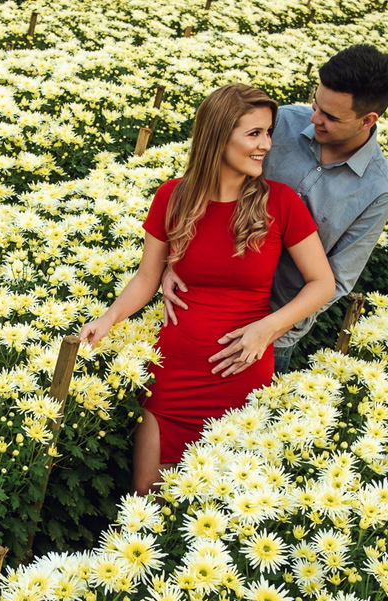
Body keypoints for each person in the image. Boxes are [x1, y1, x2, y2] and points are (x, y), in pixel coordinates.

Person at [78, 84, 335, 496]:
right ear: (218, 135)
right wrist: (108, 318)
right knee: (147, 495)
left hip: (240, 372)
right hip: (172, 375)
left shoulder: (280, 202)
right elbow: (147, 278)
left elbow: (322, 283)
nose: (266, 145)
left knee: (216, 506)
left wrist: (267, 328)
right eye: (254, 133)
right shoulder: (172, 196)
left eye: (268, 133)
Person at [161, 44, 388, 374]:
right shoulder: (282, 121)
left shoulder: (377, 189)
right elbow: (213, 177)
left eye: (330, 117)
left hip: (272, 332)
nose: (314, 118)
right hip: (202, 299)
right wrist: (177, 255)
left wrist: (270, 329)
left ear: (368, 120)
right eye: (316, 103)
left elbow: (338, 280)